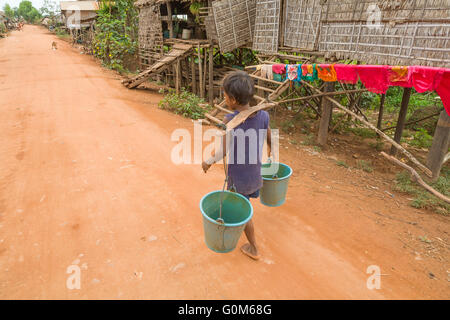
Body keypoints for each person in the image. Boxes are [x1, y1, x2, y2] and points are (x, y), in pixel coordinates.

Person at [202, 71, 272, 260]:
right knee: (245, 202)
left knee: (244, 210)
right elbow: (268, 134)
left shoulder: (230, 122)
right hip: (255, 175)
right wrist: (271, 149)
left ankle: (254, 247)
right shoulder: (263, 115)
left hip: (238, 178)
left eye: (224, 96)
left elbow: (222, 152)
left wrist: (207, 161)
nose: (224, 99)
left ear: (232, 99)